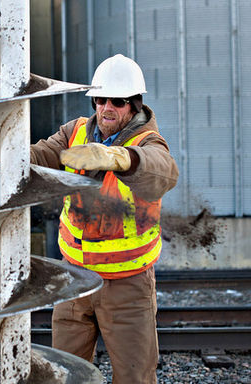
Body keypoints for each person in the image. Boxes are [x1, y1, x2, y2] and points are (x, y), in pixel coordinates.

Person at [30, 54, 179, 383]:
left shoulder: (147, 143)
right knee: (64, 376)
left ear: (135, 106)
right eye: (100, 99)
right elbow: (41, 155)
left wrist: (123, 158)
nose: (106, 107)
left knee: (134, 377)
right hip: (74, 279)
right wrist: (8, 148)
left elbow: (164, 172)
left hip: (127, 285)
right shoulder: (75, 132)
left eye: (118, 101)